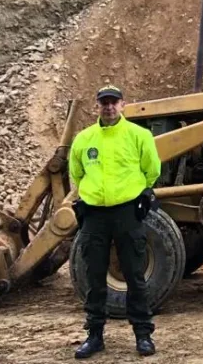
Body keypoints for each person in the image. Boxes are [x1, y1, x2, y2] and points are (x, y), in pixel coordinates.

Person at [69, 85, 162, 359]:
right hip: (94, 215)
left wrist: (142, 192)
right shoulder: (84, 139)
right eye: (103, 103)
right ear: (96, 106)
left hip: (126, 214)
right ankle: (94, 335)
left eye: (113, 102)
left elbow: (152, 169)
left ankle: (143, 335)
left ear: (123, 105)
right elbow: (76, 172)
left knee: (135, 275)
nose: (108, 107)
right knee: (94, 276)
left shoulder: (138, 135)